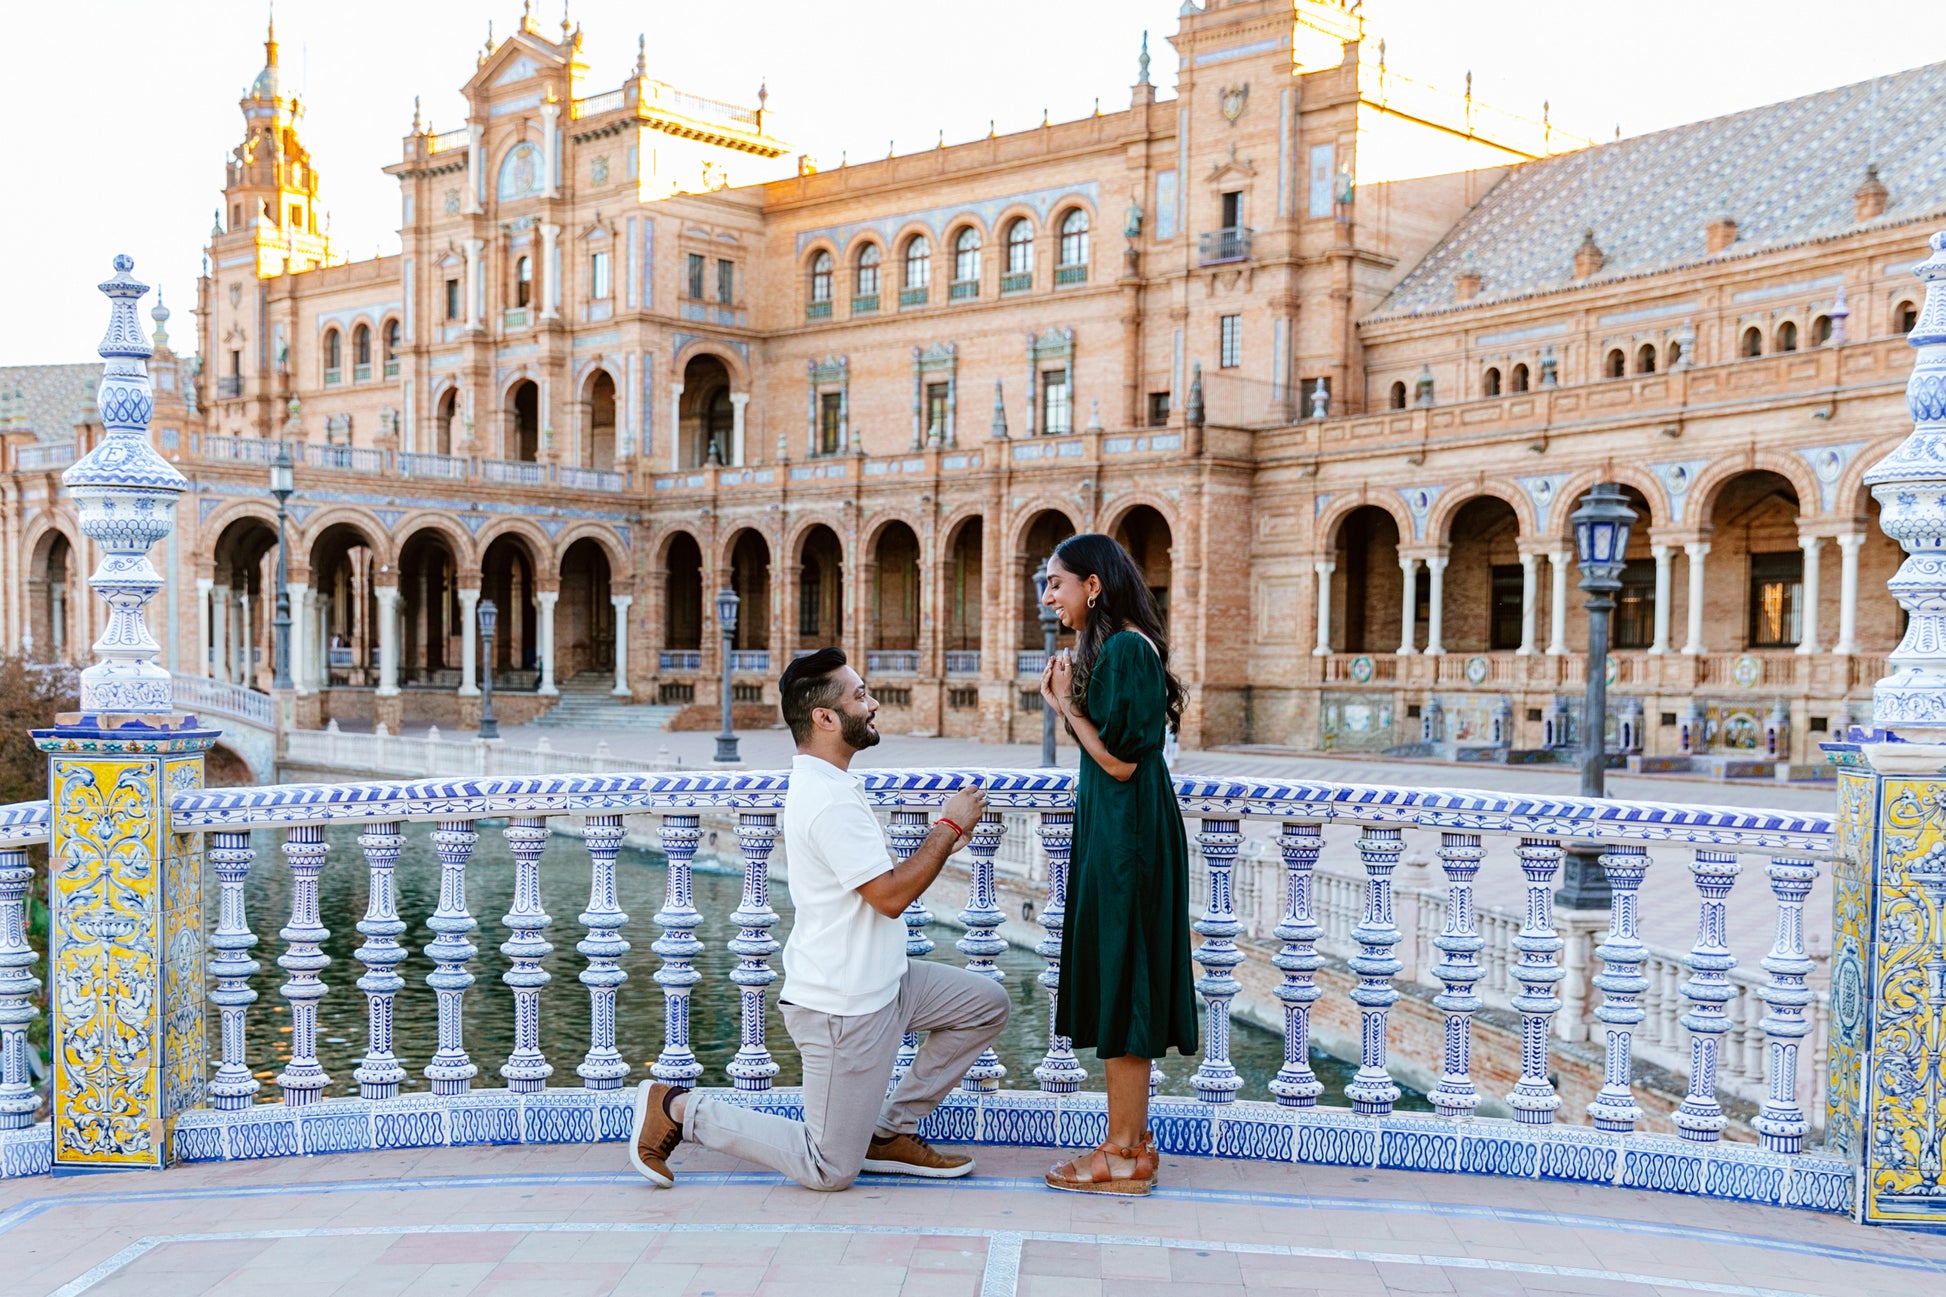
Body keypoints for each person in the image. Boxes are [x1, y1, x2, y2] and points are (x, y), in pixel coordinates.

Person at [628, 647, 1007, 1192]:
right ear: (825, 718)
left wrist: (943, 838)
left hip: (886, 982)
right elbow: (890, 897)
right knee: (829, 1169)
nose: (873, 705)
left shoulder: (833, 784)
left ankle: (889, 1132)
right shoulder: (829, 800)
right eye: (860, 696)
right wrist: (947, 827)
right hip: (842, 1007)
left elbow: (879, 887)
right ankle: (679, 1109)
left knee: (985, 1003)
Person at [1037, 532, 1196, 1196]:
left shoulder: (1127, 649)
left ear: (1093, 585)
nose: (1049, 597)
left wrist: (1067, 709)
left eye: (1057, 583)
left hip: (1128, 838)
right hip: (1117, 832)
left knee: (1126, 981)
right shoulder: (1113, 648)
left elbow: (1123, 762)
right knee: (1120, 977)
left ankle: (1124, 1154)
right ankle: (1132, 1141)